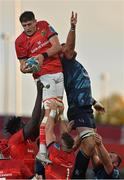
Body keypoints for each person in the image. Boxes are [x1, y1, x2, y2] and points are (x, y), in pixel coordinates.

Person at [15, 11, 64, 163]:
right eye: (24, 26)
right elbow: (22, 66)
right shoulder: (19, 42)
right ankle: (42, 152)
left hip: (58, 72)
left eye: (30, 24)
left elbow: (57, 47)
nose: (27, 28)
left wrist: (42, 56)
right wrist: (29, 68)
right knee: (49, 113)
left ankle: (45, 148)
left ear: (35, 22)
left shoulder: (44, 25)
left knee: (56, 114)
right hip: (43, 76)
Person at [60, 12, 105, 179]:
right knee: (90, 143)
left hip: (87, 108)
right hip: (78, 109)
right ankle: (76, 177)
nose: (69, 48)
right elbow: (69, 47)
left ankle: (76, 167)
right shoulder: (67, 61)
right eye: (65, 47)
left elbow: (81, 89)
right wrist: (72, 27)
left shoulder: (76, 66)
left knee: (92, 147)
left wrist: (95, 102)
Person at [0, 80, 44, 174]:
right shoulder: (15, 139)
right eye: (23, 124)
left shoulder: (30, 140)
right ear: (17, 129)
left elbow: (38, 122)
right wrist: (39, 93)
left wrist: (48, 100)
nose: (25, 125)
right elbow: (34, 121)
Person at [44, 100, 78, 179]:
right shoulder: (71, 154)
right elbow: (64, 135)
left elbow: (48, 130)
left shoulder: (55, 152)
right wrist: (61, 115)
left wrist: (53, 111)